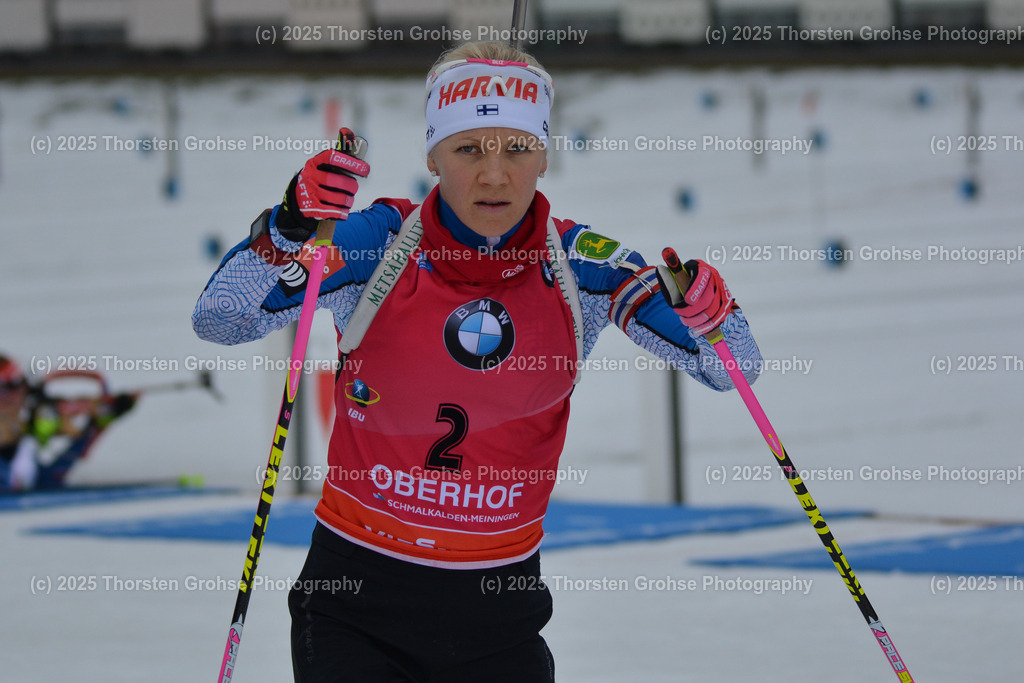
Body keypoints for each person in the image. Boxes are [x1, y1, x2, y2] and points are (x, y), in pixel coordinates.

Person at [193, 41, 763, 682]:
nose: (494, 175)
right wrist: (287, 229)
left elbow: (732, 371)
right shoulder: (378, 243)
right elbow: (221, 319)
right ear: (433, 156)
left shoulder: (583, 266)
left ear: (545, 155)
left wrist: (717, 316)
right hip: (356, 604)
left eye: (516, 148)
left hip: (499, 622)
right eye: (469, 149)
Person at [0, 355, 137, 492]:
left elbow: (47, 482)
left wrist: (95, 424)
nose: (15, 395)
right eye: (6, 387)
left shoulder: (26, 443)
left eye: (19, 384)